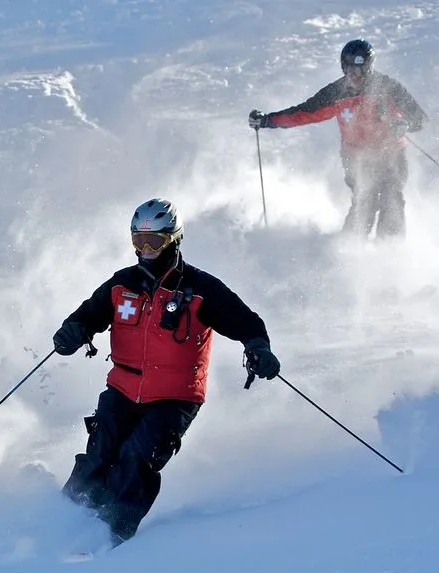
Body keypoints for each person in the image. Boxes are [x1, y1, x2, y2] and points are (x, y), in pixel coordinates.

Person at [53, 198, 280, 546]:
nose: (145, 250)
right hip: (123, 388)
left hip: (175, 397)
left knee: (136, 458)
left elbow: (246, 322)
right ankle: (60, 524)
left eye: (153, 242)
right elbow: (87, 316)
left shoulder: (202, 289)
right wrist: (73, 331)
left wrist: (258, 347)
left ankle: (107, 536)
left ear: (173, 239)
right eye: (137, 242)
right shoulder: (121, 285)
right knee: (99, 453)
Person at [248, 39, 427, 238]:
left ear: (369, 68)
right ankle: (348, 249)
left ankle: (390, 249)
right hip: (356, 157)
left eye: (359, 71)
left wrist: (404, 125)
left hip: (391, 154)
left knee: (391, 197)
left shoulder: (389, 88)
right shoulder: (336, 92)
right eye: (349, 70)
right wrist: (267, 121)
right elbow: (304, 112)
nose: (354, 76)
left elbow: (420, 119)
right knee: (364, 201)